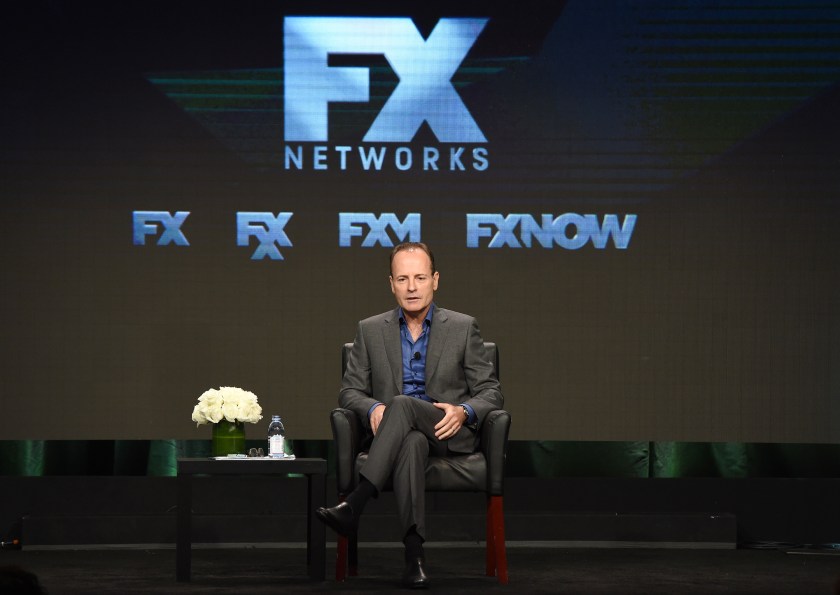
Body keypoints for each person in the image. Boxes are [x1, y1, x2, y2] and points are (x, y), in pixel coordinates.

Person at [316, 241, 504, 589]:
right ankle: (414, 558)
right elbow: (349, 391)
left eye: (419, 277)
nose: (412, 287)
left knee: (402, 404)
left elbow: (491, 392)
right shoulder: (369, 329)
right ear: (391, 283)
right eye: (403, 279)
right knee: (411, 441)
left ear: (435, 280)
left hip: (447, 432)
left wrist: (464, 412)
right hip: (398, 437)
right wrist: (372, 407)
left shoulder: (463, 327)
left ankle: (354, 504)